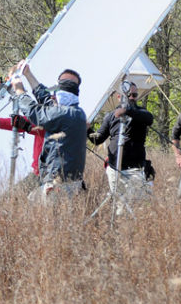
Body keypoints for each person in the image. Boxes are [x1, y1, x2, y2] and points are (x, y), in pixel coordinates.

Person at [11, 63, 87, 199]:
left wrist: (19, 90)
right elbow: (46, 99)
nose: (53, 96)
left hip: (59, 182)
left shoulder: (62, 114)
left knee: (36, 206)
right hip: (70, 181)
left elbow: (34, 111)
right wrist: (28, 74)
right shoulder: (76, 112)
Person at [88, 82, 154, 212]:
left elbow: (149, 119)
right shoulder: (111, 116)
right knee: (120, 206)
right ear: (119, 96)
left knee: (136, 204)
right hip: (114, 169)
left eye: (134, 95)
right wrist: (87, 130)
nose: (132, 98)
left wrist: (127, 110)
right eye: (128, 95)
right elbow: (98, 139)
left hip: (135, 169)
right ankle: (119, 227)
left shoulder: (141, 112)